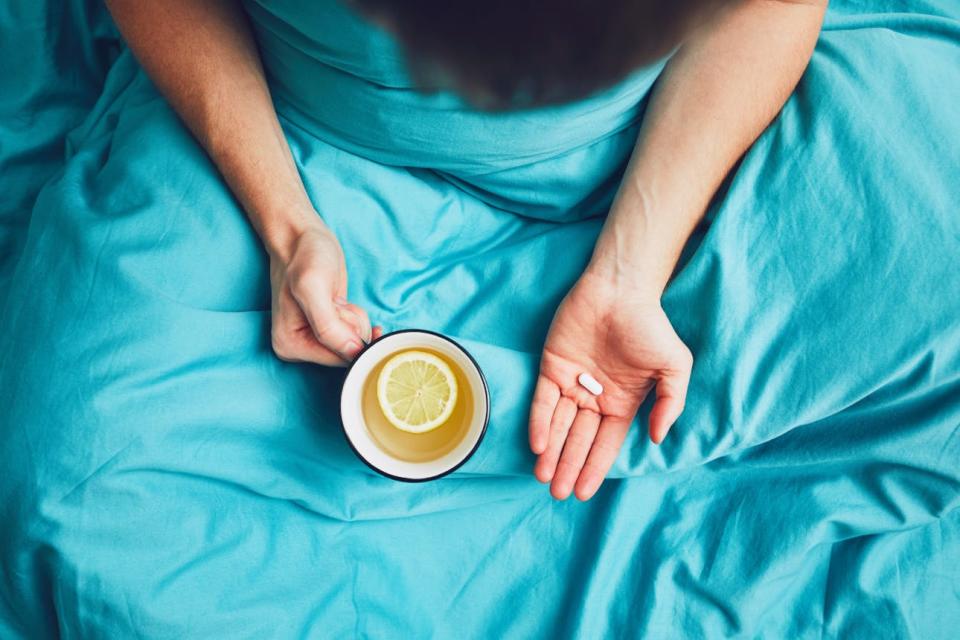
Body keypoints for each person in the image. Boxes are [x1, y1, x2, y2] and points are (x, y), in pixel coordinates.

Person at [104, 0, 827, 501]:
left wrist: (630, 272)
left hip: (658, 153)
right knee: (92, 462)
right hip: (276, 133)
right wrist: (289, 229)